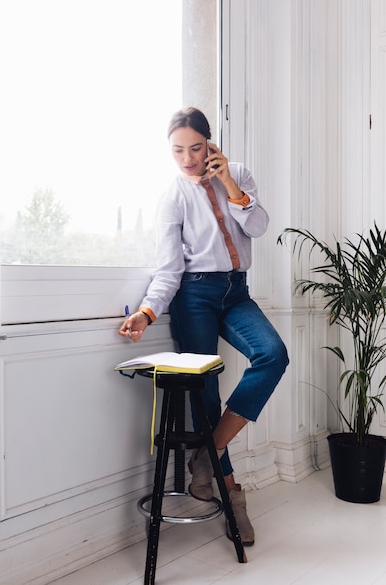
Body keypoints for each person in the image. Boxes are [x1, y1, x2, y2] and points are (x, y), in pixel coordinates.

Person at [119, 107, 289, 546]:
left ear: (211, 144)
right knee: (205, 390)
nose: (188, 159)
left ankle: (206, 455)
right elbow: (168, 269)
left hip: (236, 292)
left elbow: (259, 225)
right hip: (193, 294)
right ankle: (231, 493)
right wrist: (147, 311)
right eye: (178, 151)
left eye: (195, 148)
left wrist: (229, 182)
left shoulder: (240, 174)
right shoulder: (173, 197)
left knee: (273, 355)